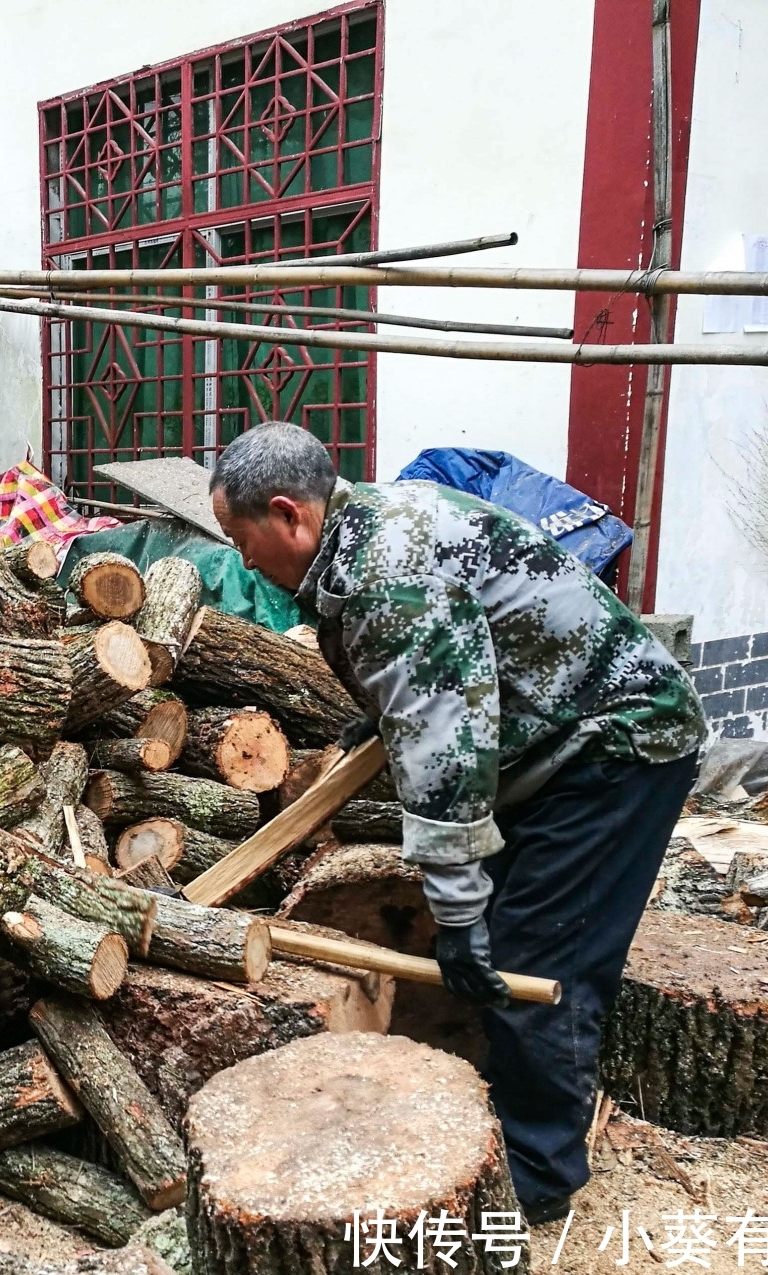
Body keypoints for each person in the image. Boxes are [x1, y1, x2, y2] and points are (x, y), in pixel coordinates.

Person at [207, 422, 704, 1222]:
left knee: (538, 952)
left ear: (289, 514)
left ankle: (538, 1174)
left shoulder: (386, 572)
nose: (243, 560)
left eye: (242, 538)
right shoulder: (359, 531)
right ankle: (515, 1107)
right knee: (518, 933)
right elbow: (437, 680)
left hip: (615, 747)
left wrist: (462, 915)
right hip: (555, 742)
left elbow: (446, 748)